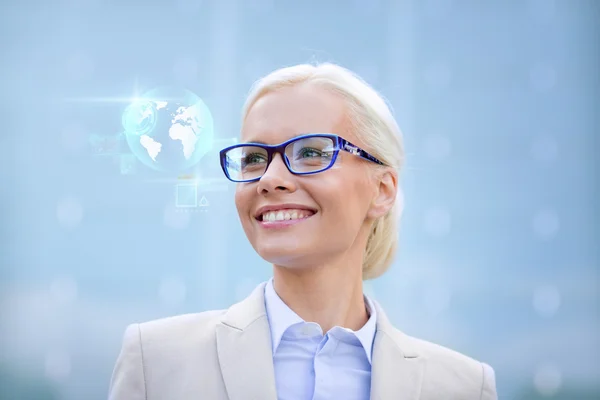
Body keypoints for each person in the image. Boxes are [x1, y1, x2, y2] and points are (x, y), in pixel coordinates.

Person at [109, 63, 498, 400]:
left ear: (382, 190)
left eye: (311, 152)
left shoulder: (461, 387)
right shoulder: (156, 362)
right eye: (254, 158)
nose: (270, 178)